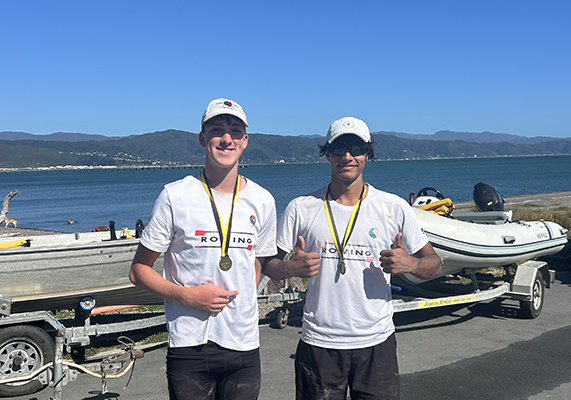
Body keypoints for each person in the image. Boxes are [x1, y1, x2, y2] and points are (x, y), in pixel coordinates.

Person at [263, 116, 442, 400]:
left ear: (367, 154)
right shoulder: (301, 208)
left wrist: (412, 264)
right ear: (327, 154)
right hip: (319, 343)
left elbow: (434, 262)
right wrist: (289, 268)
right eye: (339, 148)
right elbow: (268, 265)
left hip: (376, 343)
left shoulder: (393, 207)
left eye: (356, 148)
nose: (347, 156)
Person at [129, 98, 277, 400]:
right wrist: (187, 296)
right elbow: (138, 271)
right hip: (190, 345)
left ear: (245, 141)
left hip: (244, 344)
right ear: (202, 138)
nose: (226, 138)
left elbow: (257, 263)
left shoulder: (263, 200)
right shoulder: (175, 196)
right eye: (217, 130)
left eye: (235, 131)